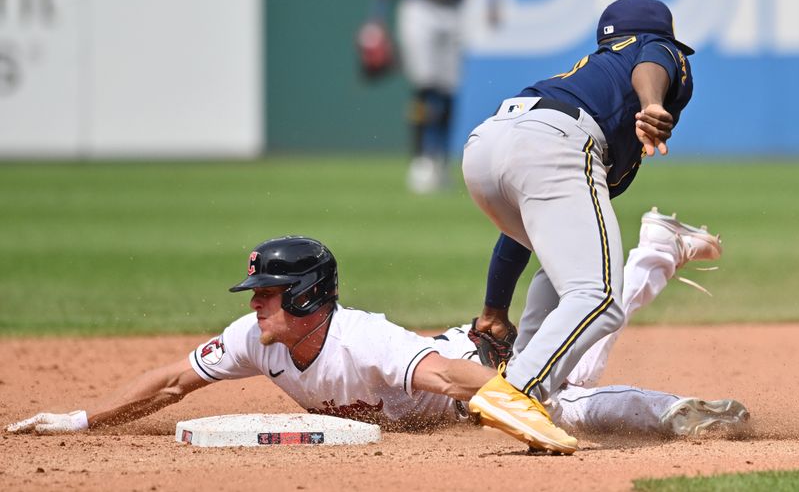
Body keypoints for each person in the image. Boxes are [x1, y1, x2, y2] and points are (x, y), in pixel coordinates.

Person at [7, 234, 747, 445]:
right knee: (568, 334)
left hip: (473, 369)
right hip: (454, 372)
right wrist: (79, 419)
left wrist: (530, 420)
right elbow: (172, 381)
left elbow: (463, 384)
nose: (255, 303)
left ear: (304, 297)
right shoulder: (255, 338)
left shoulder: (366, 341)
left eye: (266, 292)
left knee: (564, 388)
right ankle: (646, 254)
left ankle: (653, 249)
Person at [461, 0, 697, 453]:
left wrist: (494, 309)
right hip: (556, 140)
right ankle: (517, 393)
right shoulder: (656, 49)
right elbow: (654, 60)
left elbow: (522, 234)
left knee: (567, 270)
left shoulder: (590, 76)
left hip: (487, 144)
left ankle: (524, 387)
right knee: (600, 294)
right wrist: (651, 103)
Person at [361, 0, 498, 193]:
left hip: (455, 10)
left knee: (448, 90)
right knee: (425, 86)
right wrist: (377, 15)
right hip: (420, 8)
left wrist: (493, 1)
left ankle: (441, 161)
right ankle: (421, 159)